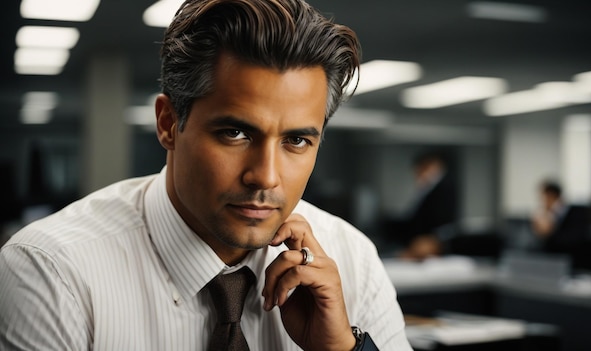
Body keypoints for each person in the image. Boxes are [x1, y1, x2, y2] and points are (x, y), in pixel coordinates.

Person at [0, 1, 412, 350]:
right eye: (235, 133)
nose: (266, 177)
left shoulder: (353, 259)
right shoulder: (51, 269)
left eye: (297, 141)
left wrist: (344, 347)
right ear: (167, 123)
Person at [395, 152, 458, 260]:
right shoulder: (430, 187)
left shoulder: (444, 186)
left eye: (419, 171)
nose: (417, 175)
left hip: (430, 244)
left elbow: (442, 221)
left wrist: (433, 241)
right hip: (423, 243)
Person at [530, 180, 590, 257]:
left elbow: (575, 240)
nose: (542, 202)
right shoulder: (549, 216)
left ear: (550, 196)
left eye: (542, 197)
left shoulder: (576, 213)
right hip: (552, 260)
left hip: (572, 258)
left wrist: (550, 233)